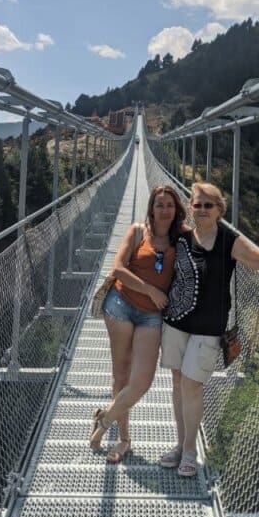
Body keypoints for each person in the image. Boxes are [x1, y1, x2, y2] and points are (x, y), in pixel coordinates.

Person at [160, 181, 259, 478]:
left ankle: (190, 452)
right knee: (178, 384)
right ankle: (180, 444)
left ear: (220, 210)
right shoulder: (181, 236)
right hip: (176, 321)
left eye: (209, 205)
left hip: (208, 328)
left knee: (191, 385)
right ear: (190, 208)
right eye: (197, 204)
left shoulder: (227, 239)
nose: (203, 210)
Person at [89, 184, 187, 461]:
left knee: (141, 380)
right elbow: (117, 268)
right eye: (159, 204)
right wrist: (151, 290)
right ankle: (123, 439)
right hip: (121, 305)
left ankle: (103, 420)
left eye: (169, 205)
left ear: (176, 209)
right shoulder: (136, 232)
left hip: (152, 315)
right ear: (151, 208)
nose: (165, 209)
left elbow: (212, 238)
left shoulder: (182, 238)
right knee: (121, 373)